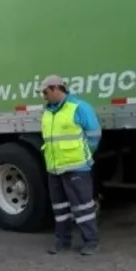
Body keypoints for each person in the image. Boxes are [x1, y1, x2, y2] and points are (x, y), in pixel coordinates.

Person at [39, 75, 102, 256]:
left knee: (83, 207)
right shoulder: (48, 112)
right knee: (59, 209)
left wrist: (84, 154)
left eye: (45, 92)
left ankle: (91, 242)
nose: (44, 96)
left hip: (77, 168)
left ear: (56, 88)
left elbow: (94, 135)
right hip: (54, 168)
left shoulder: (79, 108)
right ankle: (62, 241)